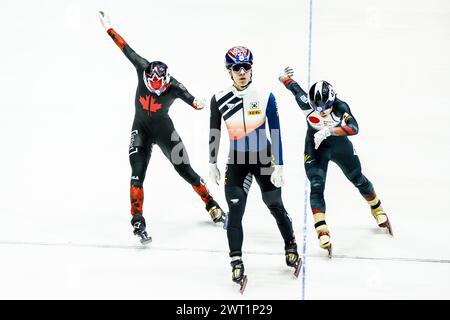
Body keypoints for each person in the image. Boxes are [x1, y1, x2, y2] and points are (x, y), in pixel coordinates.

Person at [98, 11, 225, 244]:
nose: (156, 91)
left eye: (160, 88)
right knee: (136, 175)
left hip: (164, 131)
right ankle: (137, 219)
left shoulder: (174, 86)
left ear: (166, 80)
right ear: (147, 77)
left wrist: (197, 103)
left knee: (186, 171)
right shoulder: (142, 67)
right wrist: (109, 29)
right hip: (141, 131)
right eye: (152, 86)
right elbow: (126, 49)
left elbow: (190, 98)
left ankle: (211, 203)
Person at [209, 47, 301, 289]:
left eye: (246, 67)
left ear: (252, 68)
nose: (242, 72)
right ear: (229, 71)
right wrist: (212, 163)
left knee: (274, 204)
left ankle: (290, 244)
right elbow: (215, 132)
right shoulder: (219, 98)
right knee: (235, 211)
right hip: (236, 162)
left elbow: (276, 132)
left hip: (263, 160)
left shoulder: (265, 96)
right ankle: (236, 261)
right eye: (236, 68)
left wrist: (280, 164)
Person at [278, 66, 393, 257]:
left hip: (339, 146)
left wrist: (329, 131)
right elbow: (294, 88)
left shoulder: (341, 107)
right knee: (316, 184)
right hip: (316, 148)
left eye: (325, 108)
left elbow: (355, 128)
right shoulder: (306, 103)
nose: (321, 112)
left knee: (357, 178)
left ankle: (377, 207)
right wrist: (284, 77)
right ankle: (321, 229)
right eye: (318, 108)